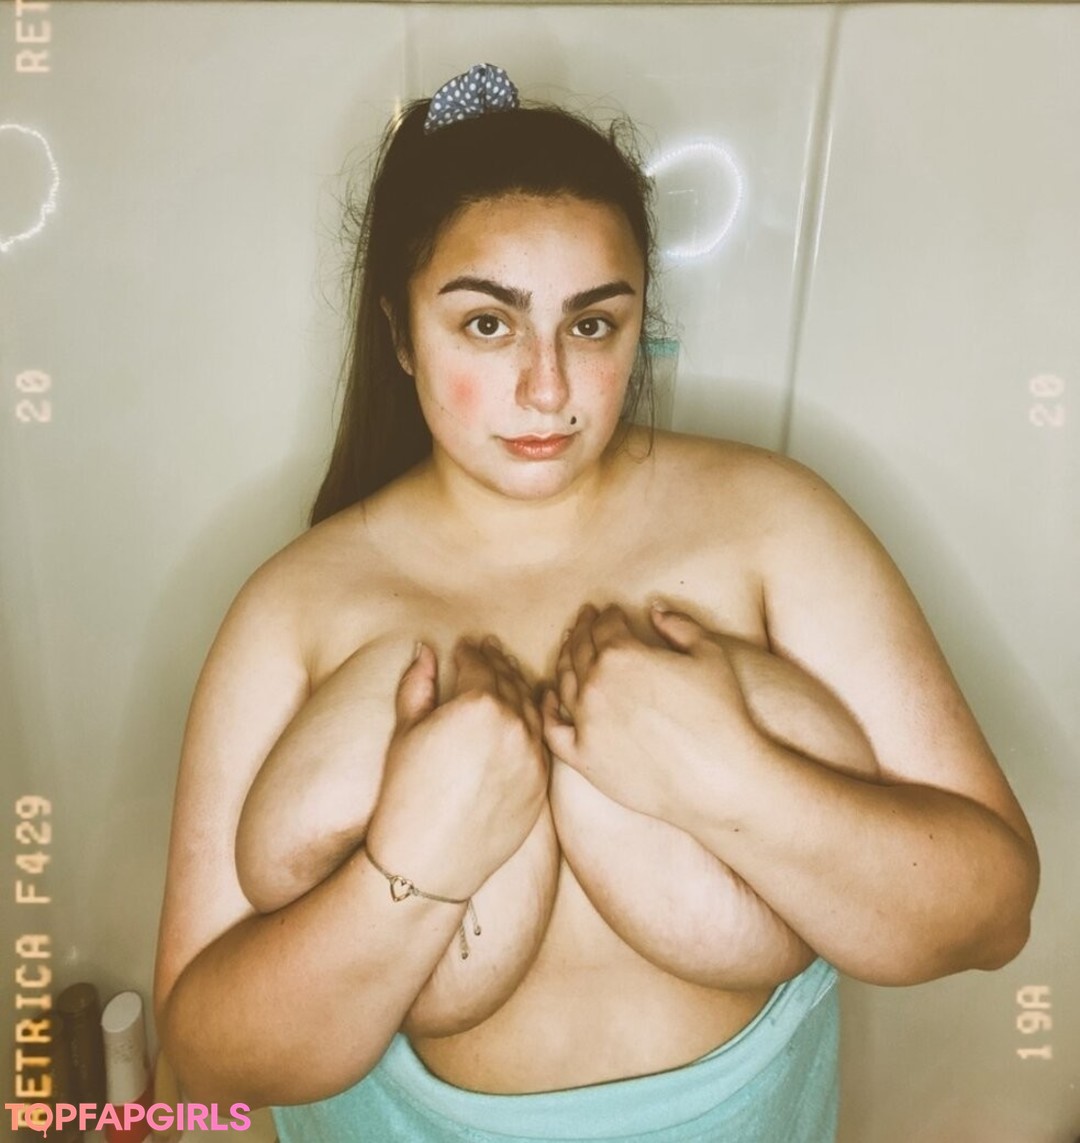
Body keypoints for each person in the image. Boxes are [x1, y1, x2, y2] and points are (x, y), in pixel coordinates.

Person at [153, 64, 1039, 1142]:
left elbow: (994, 917)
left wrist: (728, 778)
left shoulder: (775, 523)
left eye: (591, 325)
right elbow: (200, 1062)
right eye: (488, 325)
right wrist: (412, 867)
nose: (547, 388)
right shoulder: (296, 607)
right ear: (400, 333)